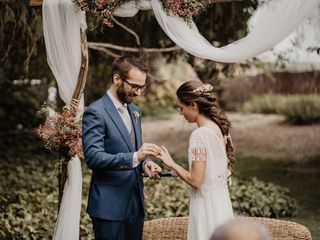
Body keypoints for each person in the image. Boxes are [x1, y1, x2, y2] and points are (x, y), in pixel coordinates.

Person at [82, 55, 162, 240]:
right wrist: (136, 157)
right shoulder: (96, 112)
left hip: (136, 203)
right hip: (109, 207)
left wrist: (145, 163)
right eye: (134, 86)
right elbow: (93, 157)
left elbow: (133, 148)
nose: (138, 93)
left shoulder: (135, 111)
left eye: (142, 87)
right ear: (117, 79)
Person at [158, 80, 234, 240]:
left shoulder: (199, 135)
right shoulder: (217, 127)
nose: (181, 113)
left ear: (193, 105)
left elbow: (196, 181)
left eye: (181, 107)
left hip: (206, 208)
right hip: (221, 204)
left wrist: (172, 164)